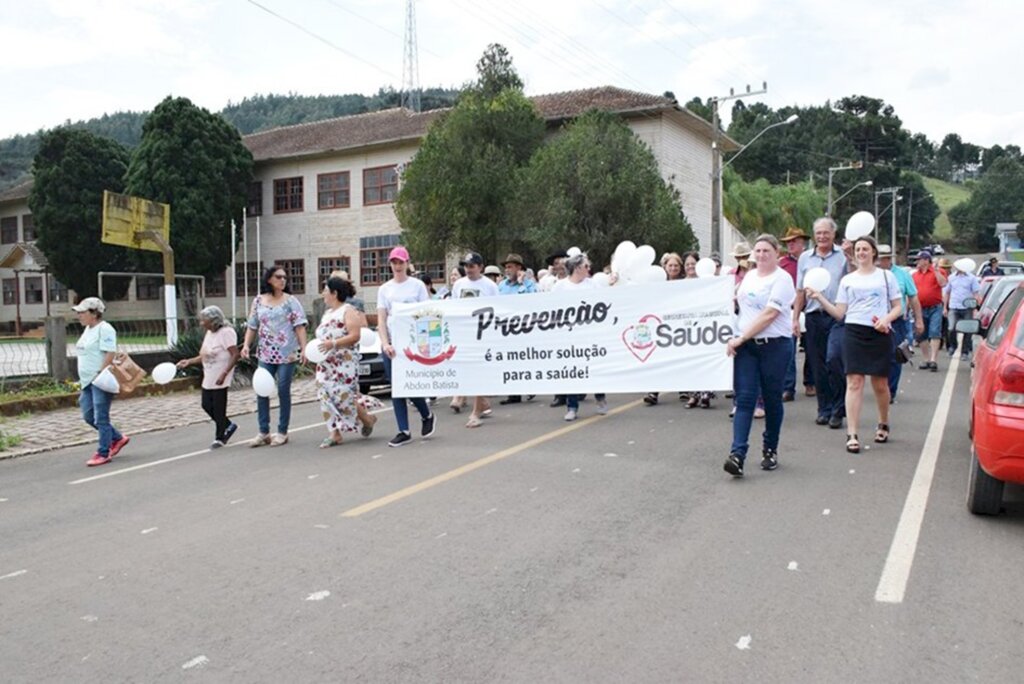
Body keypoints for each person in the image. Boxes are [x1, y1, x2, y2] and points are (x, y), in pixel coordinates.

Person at [808, 236, 902, 454]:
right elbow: (840, 313)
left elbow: (898, 306)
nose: (861, 252)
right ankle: (852, 433)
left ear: (874, 253)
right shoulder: (848, 280)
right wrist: (820, 298)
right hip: (853, 331)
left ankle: (883, 422)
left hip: (879, 332)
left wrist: (885, 320)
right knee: (854, 382)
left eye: (865, 249)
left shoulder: (886, 277)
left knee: (880, 384)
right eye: (858, 249)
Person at [722, 235, 796, 477]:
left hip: (774, 346)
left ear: (776, 253)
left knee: (772, 399)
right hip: (747, 348)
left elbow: (769, 315)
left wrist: (741, 338)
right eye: (758, 251)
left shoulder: (783, 280)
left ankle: (770, 449)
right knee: (744, 399)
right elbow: (739, 305)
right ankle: (737, 454)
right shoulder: (750, 277)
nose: (762, 255)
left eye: (766, 251)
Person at [241, 265, 308, 447]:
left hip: (287, 353)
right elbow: (252, 325)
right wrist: (246, 345)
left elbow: (299, 326)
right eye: (278, 277)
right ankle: (263, 431)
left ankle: (282, 430)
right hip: (266, 352)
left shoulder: (290, 301)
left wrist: (304, 349)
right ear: (269, 279)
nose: (282, 280)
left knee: (283, 390)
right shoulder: (258, 301)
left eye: (285, 277)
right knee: (261, 389)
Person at [376, 246, 436, 447]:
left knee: (409, 386)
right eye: (394, 262)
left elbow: (427, 313)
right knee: (397, 388)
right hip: (393, 344)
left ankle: (426, 414)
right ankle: (403, 429)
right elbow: (382, 318)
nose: (397, 266)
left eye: (401, 262)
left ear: (407, 263)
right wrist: (385, 343)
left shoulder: (417, 286)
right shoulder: (385, 289)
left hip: (412, 343)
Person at [794, 218, 850, 429]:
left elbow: (852, 280)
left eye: (826, 233)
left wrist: (851, 256)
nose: (822, 237)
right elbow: (800, 291)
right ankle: (823, 409)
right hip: (813, 316)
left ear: (833, 234)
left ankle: (838, 409)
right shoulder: (805, 259)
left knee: (834, 361)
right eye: (818, 233)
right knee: (817, 366)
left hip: (836, 316)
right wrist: (795, 319)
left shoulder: (843, 257)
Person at [314, 276, 378, 447]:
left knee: (343, 396)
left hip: (344, 362)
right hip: (326, 362)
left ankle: (367, 418)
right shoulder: (327, 314)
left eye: (326, 290)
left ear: (334, 293)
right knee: (324, 394)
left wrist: (333, 343)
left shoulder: (348, 311)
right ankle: (334, 433)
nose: (323, 294)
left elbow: (355, 336)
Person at [73, 297, 130, 467]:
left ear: (94, 313)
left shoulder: (105, 329)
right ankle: (118, 438)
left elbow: (110, 353)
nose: (79, 316)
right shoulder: (88, 330)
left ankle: (103, 452)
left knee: (101, 418)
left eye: (82, 312)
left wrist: (100, 373)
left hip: (100, 380)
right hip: (86, 381)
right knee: (88, 415)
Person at [553, 253, 608, 421]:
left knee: (594, 368)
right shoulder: (560, 287)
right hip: (569, 337)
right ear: (576, 268)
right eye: (586, 266)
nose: (589, 269)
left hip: (590, 335)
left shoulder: (593, 285)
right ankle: (572, 406)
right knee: (572, 371)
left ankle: (600, 399)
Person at [176, 305, 239, 449]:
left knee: (218, 407)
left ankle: (220, 437)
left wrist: (224, 373)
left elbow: (235, 354)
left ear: (213, 320)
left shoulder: (226, 333)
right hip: (209, 374)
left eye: (204, 320)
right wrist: (189, 361)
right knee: (206, 404)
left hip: (221, 374)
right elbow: (204, 355)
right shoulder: (210, 333)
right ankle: (228, 425)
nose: (201, 323)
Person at [452, 251, 501, 427]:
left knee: (479, 372)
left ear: (480, 267)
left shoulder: (489, 286)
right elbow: (454, 307)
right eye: (466, 266)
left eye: (472, 266)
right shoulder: (458, 285)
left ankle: (475, 412)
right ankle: (481, 402)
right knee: (467, 371)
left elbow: (497, 310)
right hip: (465, 334)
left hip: (483, 334)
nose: (469, 269)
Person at [878, 245, 923, 403]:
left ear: (889, 259)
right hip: (876, 321)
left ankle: (891, 390)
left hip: (897, 321)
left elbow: (913, 298)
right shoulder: (872, 274)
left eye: (883, 258)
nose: (879, 261)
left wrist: (918, 320)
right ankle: (881, 386)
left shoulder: (902, 275)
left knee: (895, 355)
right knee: (878, 356)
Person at [497, 253, 537, 406]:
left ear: (519, 268)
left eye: (510, 267)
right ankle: (513, 393)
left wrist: (521, 285)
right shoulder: (502, 285)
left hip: (524, 327)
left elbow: (532, 300)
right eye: (506, 267)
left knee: (525, 358)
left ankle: (529, 386)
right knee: (509, 359)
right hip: (507, 327)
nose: (507, 270)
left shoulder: (529, 284)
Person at [779, 226, 812, 401]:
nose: (790, 245)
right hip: (790, 310)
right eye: (788, 242)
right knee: (789, 349)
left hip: (812, 308)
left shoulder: (812, 260)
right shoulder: (782, 263)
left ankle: (811, 382)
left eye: (794, 241)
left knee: (812, 350)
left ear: (802, 243)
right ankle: (788, 387)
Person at [910, 250, 947, 372]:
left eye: (920, 259)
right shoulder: (915, 275)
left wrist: (935, 270)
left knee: (934, 331)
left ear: (926, 260)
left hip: (935, 307)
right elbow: (911, 292)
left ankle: (933, 360)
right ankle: (926, 358)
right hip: (920, 308)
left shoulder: (938, 272)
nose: (917, 262)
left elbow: (943, 283)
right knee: (921, 334)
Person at [943, 263, 981, 360]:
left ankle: (965, 351)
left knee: (967, 330)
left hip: (967, 307)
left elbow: (976, 293)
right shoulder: (951, 277)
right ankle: (953, 346)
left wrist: (975, 306)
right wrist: (945, 307)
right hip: (954, 306)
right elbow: (947, 292)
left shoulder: (972, 278)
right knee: (951, 328)